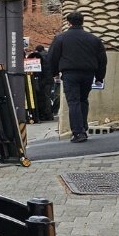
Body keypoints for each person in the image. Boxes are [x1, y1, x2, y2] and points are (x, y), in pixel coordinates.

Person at [45, 11, 107, 142]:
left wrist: (54, 73)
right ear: (82, 22)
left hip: (70, 74)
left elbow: (52, 57)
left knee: (74, 102)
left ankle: (78, 132)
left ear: (68, 23)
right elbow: (102, 59)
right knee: (83, 100)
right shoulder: (93, 39)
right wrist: (99, 77)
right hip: (88, 73)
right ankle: (83, 127)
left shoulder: (61, 38)